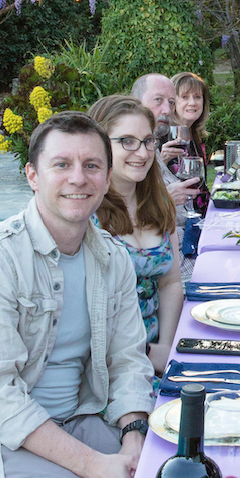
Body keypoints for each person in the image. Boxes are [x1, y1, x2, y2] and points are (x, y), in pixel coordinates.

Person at [0, 112, 154, 478]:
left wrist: (130, 440)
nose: (78, 178)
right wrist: (93, 467)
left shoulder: (110, 258)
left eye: (91, 165)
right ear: (33, 174)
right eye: (62, 164)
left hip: (74, 419)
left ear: (106, 177)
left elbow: (129, 360)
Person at [89, 95, 184, 376]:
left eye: (147, 141)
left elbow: (171, 282)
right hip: (111, 367)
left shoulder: (158, 203)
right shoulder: (88, 216)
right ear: (100, 146)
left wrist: (166, 346)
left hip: (158, 355)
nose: (142, 153)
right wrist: (145, 354)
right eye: (127, 141)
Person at [130, 72, 200, 209]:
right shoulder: (127, 151)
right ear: (136, 102)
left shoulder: (152, 146)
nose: (167, 110)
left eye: (171, 102)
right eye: (158, 100)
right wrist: (165, 198)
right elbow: (123, 213)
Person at [165, 71, 212, 218]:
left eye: (197, 97)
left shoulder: (195, 137)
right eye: (184, 97)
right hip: (176, 222)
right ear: (172, 102)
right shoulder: (162, 138)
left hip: (201, 218)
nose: (192, 102)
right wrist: (160, 161)